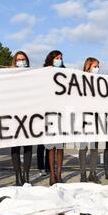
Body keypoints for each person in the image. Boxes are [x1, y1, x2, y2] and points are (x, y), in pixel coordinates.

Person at [9, 51, 33, 186]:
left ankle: (26, 175)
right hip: (13, 115)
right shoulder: (9, 74)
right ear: (14, 62)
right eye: (18, 60)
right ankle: (18, 176)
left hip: (29, 114)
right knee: (15, 147)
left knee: (28, 146)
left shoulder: (31, 74)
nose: (21, 62)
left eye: (23, 59)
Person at [44, 50, 65, 185]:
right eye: (57, 58)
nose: (59, 60)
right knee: (51, 147)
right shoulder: (44, 72)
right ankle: (52, 174)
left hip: (62, 113)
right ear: (51, 59)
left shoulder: (65, 72)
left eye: (61, 58)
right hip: (49, 113)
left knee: (60, 146)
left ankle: (59, 174)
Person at [79, 57, 101, 183]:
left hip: (96, 117)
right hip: (83, 118)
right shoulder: (80, 80)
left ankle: (93, 173)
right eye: (95, 66)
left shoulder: (100, 81)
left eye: (98, 67)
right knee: (83, 147)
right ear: (88, 66)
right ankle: (83, 174)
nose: (97, 69)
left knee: (94, 147)